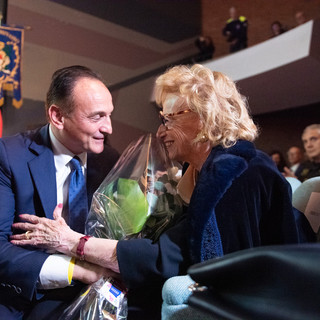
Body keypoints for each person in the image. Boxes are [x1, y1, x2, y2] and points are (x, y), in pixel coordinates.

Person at [10, 64, 314, 320]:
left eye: (169, 119)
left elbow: (172, 257)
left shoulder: (236, 171)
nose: (160, 131)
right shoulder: (197, 170)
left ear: (203, 116)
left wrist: (73, 242)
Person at [0, 65, 120, 318]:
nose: (108, 128)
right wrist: (80, 271)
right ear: (57, 116)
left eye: (109, 115)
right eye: (96, 117)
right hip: (23, 294)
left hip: (94, 296)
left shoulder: (110, 160)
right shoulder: (8, 156)